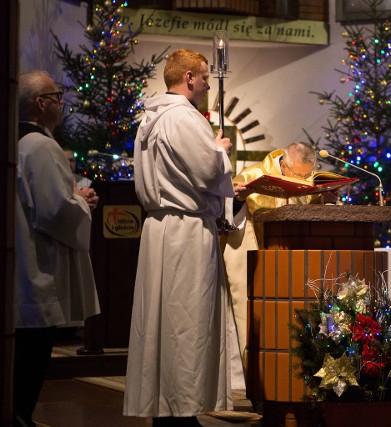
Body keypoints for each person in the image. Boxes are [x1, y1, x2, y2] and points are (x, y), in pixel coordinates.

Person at [123, 48, 235, 427]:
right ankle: (181, 412)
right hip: (185, 230)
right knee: (186, 325)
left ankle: (167, 409)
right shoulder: (183, 117)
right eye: (204, 78)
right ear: (188, 77)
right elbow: (206, 171)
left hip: (159, 229)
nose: (206, 85)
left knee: (162, 324)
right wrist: (220, 152)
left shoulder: (152, 117)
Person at [15, 70, 100, 427]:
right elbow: (54, 210)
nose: (61, 103)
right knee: (33, 354)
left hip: (24, 258)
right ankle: (21, 417)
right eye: (57, 96)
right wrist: (81, 200)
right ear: (41, 103)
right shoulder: (42, 147)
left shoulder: (18, 143)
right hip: (40, 265)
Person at [224, 142, 337, 384]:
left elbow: (308, 213)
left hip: (292, 265)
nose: (304, 180)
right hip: (255, 258)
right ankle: (259, 382)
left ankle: (295, 380)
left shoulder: (307, 179)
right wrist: (237, 199)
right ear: (284, 164)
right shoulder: (254, 175)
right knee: (254, 322)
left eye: (307, 175)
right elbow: (226, 210)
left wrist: (323, 199)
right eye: (299, 175)